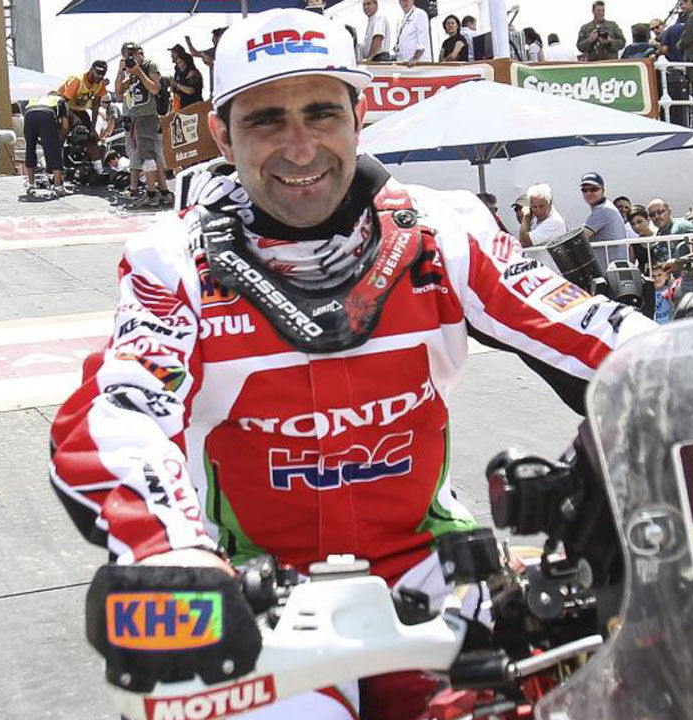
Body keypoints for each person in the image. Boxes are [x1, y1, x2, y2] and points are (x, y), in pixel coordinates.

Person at [49, 10, 653, 720]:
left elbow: (598, 331)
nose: (300, 147)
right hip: (252, 592)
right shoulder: (173, 258)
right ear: (223, 135)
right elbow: (119, 411)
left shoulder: (444, 230)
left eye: (322, 112)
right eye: (266, 120)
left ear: (359, 117)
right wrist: (167, 552)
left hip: (433, 578)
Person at [116, 42, 168, 208]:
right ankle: (165, 193)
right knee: (154, 156)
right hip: (137, 117)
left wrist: (138, 71)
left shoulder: (148, 66)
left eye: (133, 54)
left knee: (147, 157)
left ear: (140, 53)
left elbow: (154, 89)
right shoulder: (131, 73)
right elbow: (118, 93)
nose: (131, 58)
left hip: (147, 116)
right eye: (127, 56)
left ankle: (151, 194)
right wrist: (121, 71)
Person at [22, 92, 71, 194]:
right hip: (47, 115)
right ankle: (58, 187)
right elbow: (65, 126)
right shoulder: (60, 101)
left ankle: (31, 185)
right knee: (55, 151)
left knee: (30, 148)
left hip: (29, 115)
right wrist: (60, 142)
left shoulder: (36, 98)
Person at [579, 171, 628, 267]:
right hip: (611, 267)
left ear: (603, 190)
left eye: (593, 189)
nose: (589, 193)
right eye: (584, 190)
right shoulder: (604, 207)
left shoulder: (603, 210)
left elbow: (581, 237)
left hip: (611, 269)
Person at [517, 182, 567, 268]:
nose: (538, 211)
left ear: (550, 202)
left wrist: (526, 216)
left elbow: (524, 242)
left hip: (549, 272)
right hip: (536, 269)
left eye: (542, 206)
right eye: (534, 207)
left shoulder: (555, 221)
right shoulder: (537, 217)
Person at [185, 27, 225, 94]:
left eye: (214, 37)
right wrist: (188, 42)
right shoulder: (212, 51)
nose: (212, 39)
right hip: (215, 88)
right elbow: (194, 53)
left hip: (224, 87)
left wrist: (212, 61)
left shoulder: (226, 51)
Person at [169, 45, 204, 110]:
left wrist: (177, 85)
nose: (179, 65)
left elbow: (191, 90)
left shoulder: (193, 73)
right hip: (183, 107)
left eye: (180, 62)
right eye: (178, 63)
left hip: (194, 107)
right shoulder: (178, 72)